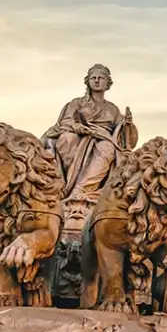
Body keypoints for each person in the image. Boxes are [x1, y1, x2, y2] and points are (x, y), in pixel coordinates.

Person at [43, 64, 137, 231]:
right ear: (88, 81)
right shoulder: (76, 103)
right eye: (93, 77)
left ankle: (81, 191)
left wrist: (127, 124)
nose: (97, 80)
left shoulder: (112, 109)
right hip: (78, 135)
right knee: (66, 138)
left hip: (103, 139)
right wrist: (79, 128)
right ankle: (67, 186)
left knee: (107, 148)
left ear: (107, 83)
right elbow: (65, 122)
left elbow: (123, 136)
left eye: (101, 78)